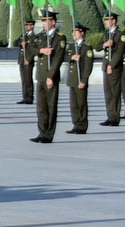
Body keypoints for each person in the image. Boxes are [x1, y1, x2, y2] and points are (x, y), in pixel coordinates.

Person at [32, 10, 64, 143]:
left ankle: (49, 134)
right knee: (41, 106)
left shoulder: (59, 38)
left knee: (50, 106)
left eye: (46, 20)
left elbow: (58, 58)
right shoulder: (41, 36)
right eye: (43, 21)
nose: (44, 23)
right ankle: (41, 132)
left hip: (50, 76)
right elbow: (30, 50)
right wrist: (41, 50)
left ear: (53, 22)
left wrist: (51, 76)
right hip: (40, 75)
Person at [67, 22, 93, 135]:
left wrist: (84, 80)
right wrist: (72, 57)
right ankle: (75, 124)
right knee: (74, 104)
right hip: (72, 79)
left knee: (81, 103)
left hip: (80, 79)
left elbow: (88, 67)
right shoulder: (72, 47)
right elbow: (64, 56)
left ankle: (82, 126)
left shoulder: (86, 48)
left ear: (82, 33)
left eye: (76, 31)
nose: (73, 34)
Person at [100, 12, 125, 126]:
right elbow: (97, 46)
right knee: (108, 93)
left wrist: (111, 65)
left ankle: (115, 117)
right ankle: (110, 116)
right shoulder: (106, 34)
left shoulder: (121, 35)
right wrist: (105, 44)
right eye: (105, 20)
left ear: (114, 21)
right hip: (106, 67)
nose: (106, 22)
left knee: (115, 92)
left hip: (114, 68)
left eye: (107, 20)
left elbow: (119, 52)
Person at [16, 18, 37, 105]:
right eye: (26, 25)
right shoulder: (24, 35)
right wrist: (20, 44)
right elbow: (15, 42)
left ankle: (29, 97)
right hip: (21, 60)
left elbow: (33, 50)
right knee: (24, 80)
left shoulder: (34, 37)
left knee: (28, 79)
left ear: (32, 26)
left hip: (28, 61)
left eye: (28, 25)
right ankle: (24, 97)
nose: (27, 27)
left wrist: (28, 59)